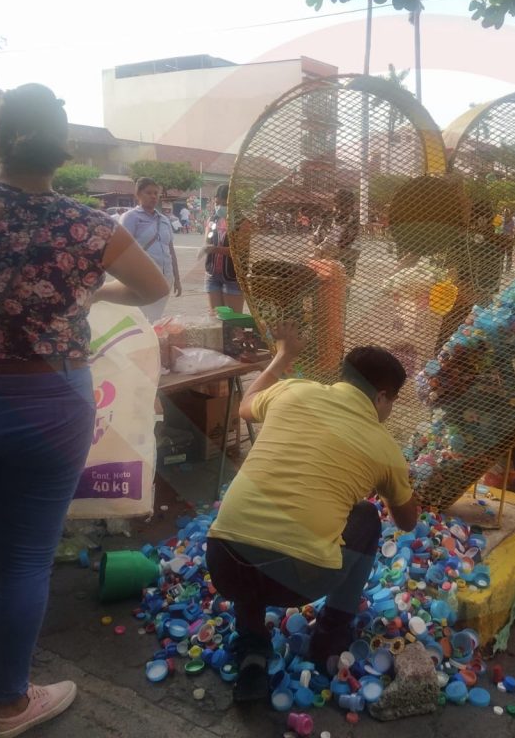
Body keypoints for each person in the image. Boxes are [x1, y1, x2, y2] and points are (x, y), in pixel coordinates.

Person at [0, 83, 168, 738]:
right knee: (28, 555)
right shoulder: (91, 227)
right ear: (63, 151)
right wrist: (90, 292)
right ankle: (9, 704)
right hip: (50, 400)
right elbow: (154, 287)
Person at [206, 325, 419, 701]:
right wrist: (392, 482)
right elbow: (407, 520)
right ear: (382, 397)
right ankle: (329, 639)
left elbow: (245, 405)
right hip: (295, 582)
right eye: (392, 402)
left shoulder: (293, 390)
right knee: (366, 518)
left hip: (223, 562)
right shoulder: (385, 447)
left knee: (256, 529)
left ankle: (252, 648)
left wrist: (283, 356)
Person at [120, 178, 182, 322]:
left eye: (156, 193)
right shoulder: (131, 218)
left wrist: (177, 279)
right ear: (138, 194)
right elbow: (122, 251)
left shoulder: (164, 220)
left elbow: (171, 251)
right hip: (143, 278)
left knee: (155, 317)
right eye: (148, 193)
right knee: (140, 318)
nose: (153, 196)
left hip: (166, 278)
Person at [203, 182, 244, 313]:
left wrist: (215, 249)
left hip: (233, 277)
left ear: (231, 202)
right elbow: (207, 242)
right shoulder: (213, 220)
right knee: (216, 318)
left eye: (223, 204)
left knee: (233, 319)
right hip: (212, 274)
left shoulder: (242, 222)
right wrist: (206, 247)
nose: (219, 207)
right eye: (217, 203)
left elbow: (239, 252)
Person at [314, 188, 361, 278]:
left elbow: (349, 243)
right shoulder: (329, 217)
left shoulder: (353, 220)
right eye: (337, 204)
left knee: (341, 279)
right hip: (327, 256)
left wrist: (333, 251)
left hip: (344, 257)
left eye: (344, 205)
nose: (339, 209)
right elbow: (317, 237)